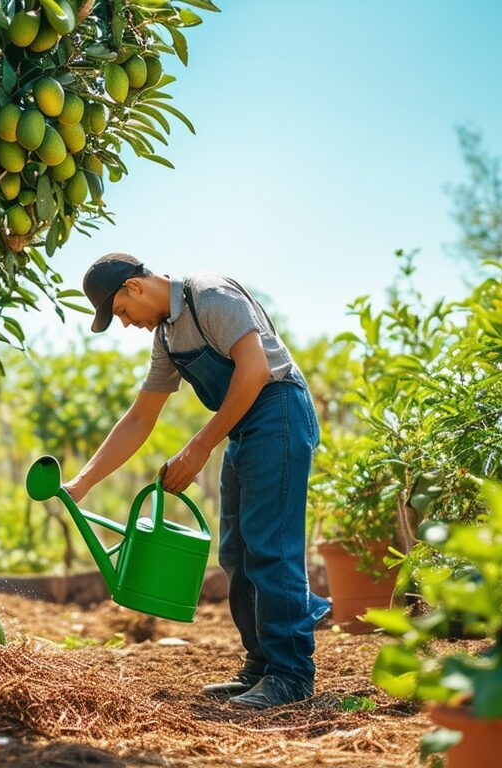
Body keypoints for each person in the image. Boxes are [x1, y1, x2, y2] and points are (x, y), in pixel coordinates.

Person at [61, 253, 329, 709]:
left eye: (122, 313)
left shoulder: (211, 296)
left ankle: (291, 674)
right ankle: (262, 666)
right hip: (245, 425)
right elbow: (140, 418)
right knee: (235, 552)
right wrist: (81, 484)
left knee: (270, 546)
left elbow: (256, 370)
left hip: (279, 411)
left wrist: (200, 446)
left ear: (135, 286)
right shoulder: (167, 336)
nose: (126, 325)